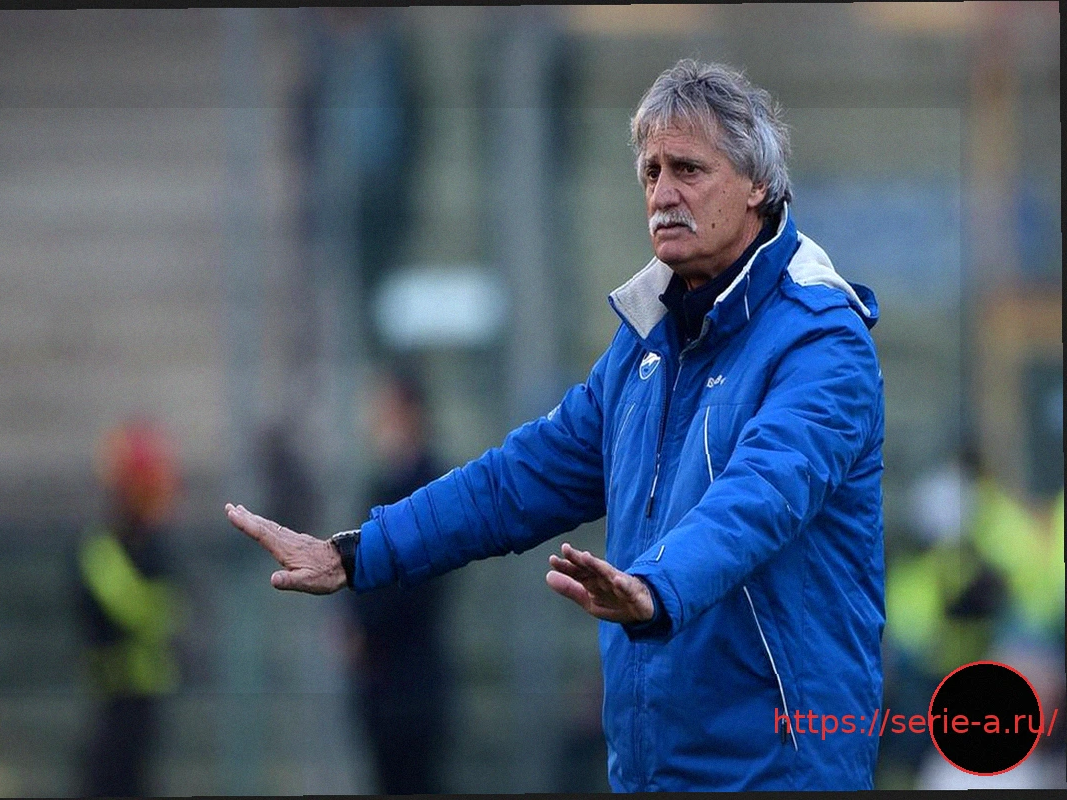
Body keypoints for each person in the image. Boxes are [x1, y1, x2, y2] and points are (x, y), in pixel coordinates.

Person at [226, 59, 885, 791]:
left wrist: (654, 588)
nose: (663, 194)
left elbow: (759, 497)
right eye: (651, 172)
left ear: (757, 184)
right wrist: (357, 554)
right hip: (652, 772)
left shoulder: (821, 340)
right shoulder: (647, 343)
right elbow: (516, 482)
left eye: (689, 170)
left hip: (781, 771)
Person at [341, 370, 451, 794]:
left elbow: (425, 578)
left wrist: (367, 626)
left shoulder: (432, 483)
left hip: (413, 678)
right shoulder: (380, 484)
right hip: (381, 681)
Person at [76, 419, 185, 798]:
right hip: (114, 694)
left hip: (144, 694)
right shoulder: (105, 548)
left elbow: (165, 612)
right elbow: (139, 611)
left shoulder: (151, 548)